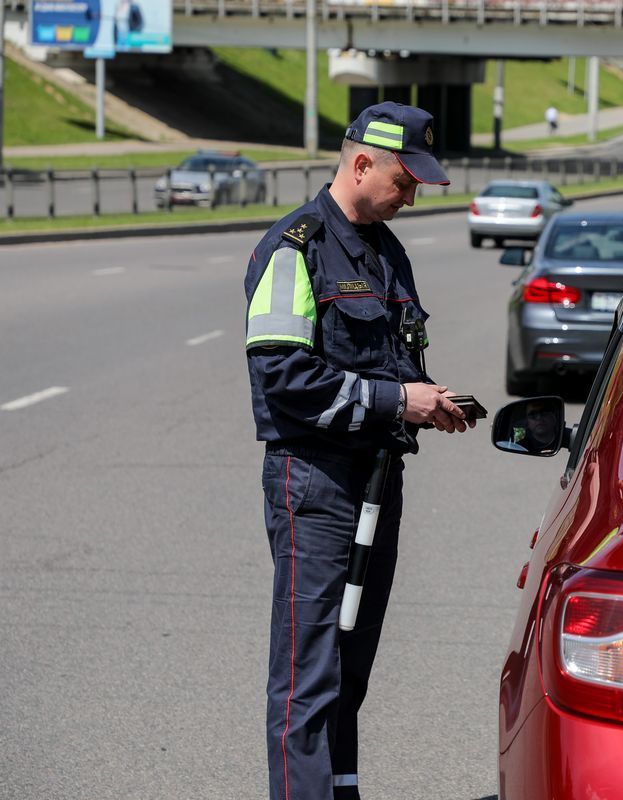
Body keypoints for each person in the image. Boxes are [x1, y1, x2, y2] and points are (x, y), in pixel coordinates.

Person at [244, 102, 472, 800]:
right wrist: (398, 402)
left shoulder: (383, 248)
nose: (410, 197)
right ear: (360, 163)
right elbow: (281, 376)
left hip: (377, 480)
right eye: (404, 182)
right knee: (308, 678)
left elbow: (389, 361)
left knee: (350, 667)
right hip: (314, 484)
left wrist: (426, 397)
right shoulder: (296, 247)